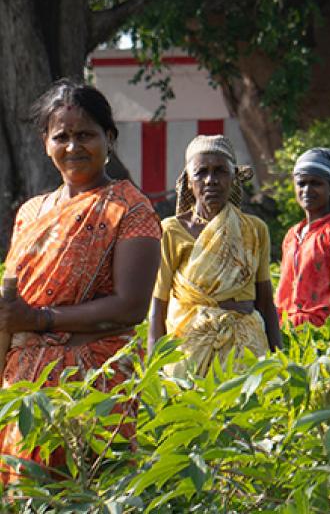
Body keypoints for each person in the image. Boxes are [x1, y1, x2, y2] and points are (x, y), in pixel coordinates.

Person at [0, 81, 161, 480]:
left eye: (86, 135)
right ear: (45, 143)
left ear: (109, 138)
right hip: (22, 386)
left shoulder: (132, 209)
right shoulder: (31, 212)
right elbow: (10, 306)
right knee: (24, 495)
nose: (73, 147)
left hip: (92, 385)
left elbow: (131, 307)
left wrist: (39, 320)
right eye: (62, 137)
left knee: (88, 492)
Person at [148, 135, 282, 375]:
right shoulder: (171, 230)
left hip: (246, 346)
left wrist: (279, 360)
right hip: (188, 348)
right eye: (201, 173)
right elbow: (159, 305)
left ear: (233, 178)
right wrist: (154, 370)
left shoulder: (254, 229)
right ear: (188, 181)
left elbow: (264, 301)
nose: (211, 180)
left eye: (220, 171)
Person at [277, 148, 330, 327]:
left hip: (323, 329)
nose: (307, 190)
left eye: (316, 183)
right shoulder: (292, 234)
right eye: (301, 183)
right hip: (287, 329)